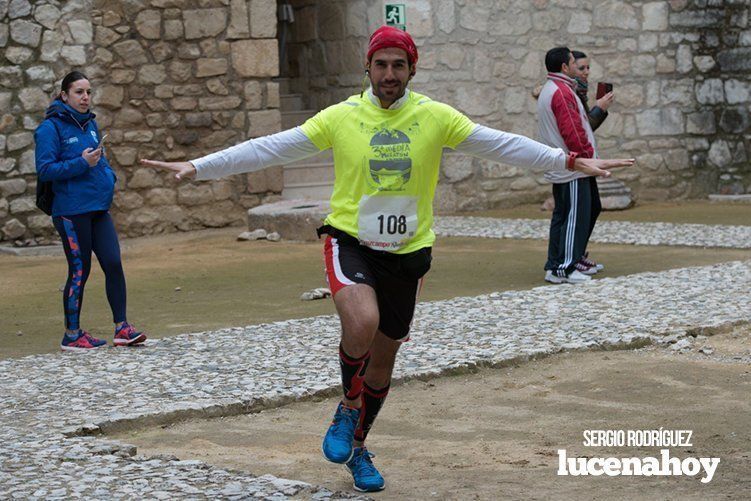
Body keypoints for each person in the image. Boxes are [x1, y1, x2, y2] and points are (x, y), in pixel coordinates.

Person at [141, 27, 632, 492]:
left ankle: (358, 448)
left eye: (399, 64)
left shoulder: (436, 117)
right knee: (361, 321)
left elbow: (500, 144)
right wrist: (199, 166)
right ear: (368, 67)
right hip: (349, 239)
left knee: (382, 361)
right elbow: (271, 147)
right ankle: (346, 406)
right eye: (381, 64)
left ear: (412, 70)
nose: (390, 73)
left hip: (409, 252)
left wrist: (568, 161)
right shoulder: (341, 117)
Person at [34, 71, 147, 351]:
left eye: (88, 92)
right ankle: (72, 335)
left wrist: (108, 177)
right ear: (64, 96)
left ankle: (122, 328)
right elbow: (45, 170)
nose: (85, 97)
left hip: (98, 209)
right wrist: (82, 163)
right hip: (71, 213)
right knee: (79, 271)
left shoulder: (90, 124)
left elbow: (100, 158)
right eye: (79, 92)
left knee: (113, 263)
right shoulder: (50, 128)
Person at [538, 47, 617, 284]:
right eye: (574, 63)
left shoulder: (558, 89)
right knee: (573, 216)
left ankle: (558, 265)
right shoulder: (561, 92)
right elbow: (572, 132)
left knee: (568, 214)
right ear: (564, 67)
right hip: (572, 166)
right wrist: (586, 160)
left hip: (567, 164)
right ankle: (565, 267)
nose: (579, 67)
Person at [571, 50, 614, 274]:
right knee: (578, 211)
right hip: (574, 161)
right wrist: (600, 109)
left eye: (588, 68)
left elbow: (586, 128)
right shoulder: (570, 92)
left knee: (592, 207)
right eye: (581, 68)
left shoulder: (580, 91)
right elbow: (582, 128)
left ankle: (578, 254)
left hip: (585, 160)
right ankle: (571, 257)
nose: (587, 72)